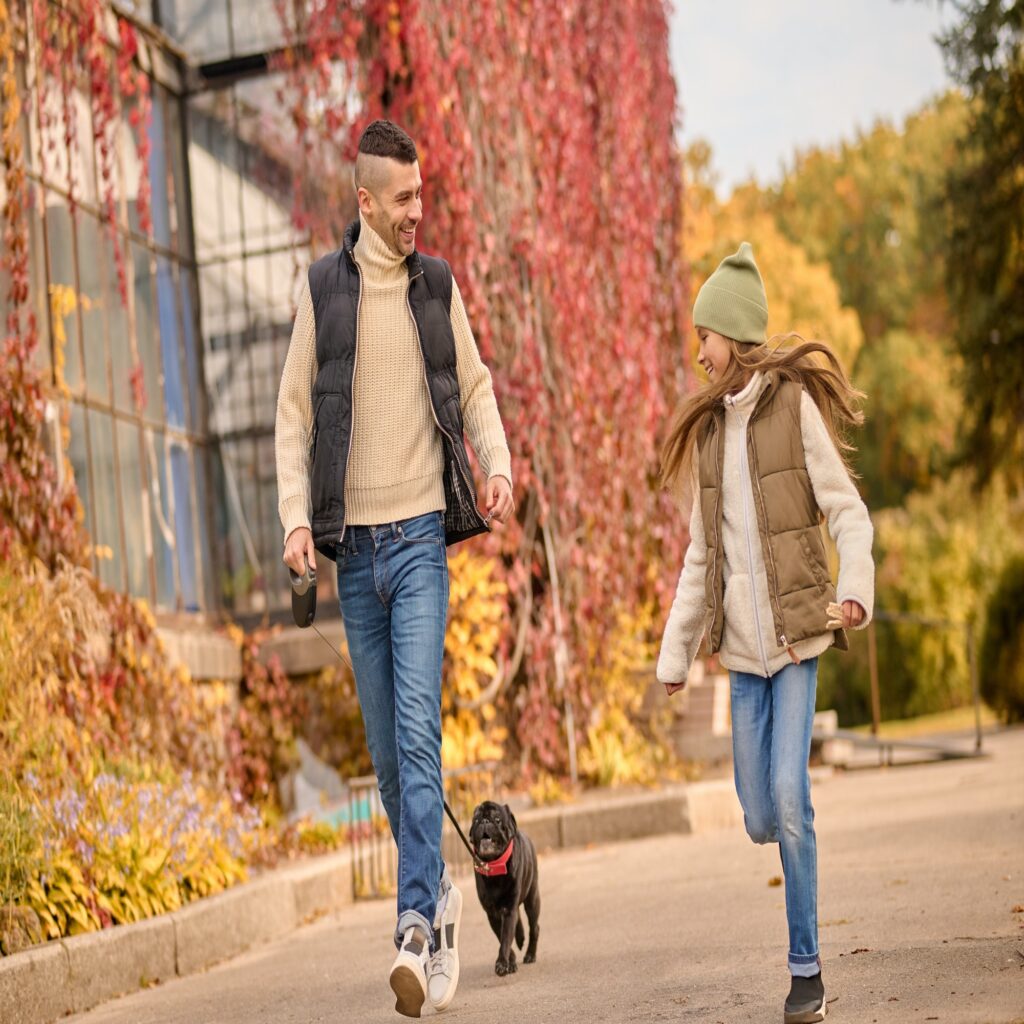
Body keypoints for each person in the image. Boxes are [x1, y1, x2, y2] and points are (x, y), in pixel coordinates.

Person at [275, 119, 514, 1018]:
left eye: (424, 193)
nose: (421, 210)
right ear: (367, 202)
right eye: (405, 197)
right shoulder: (323, 292)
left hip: (418, 540)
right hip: (354, 554)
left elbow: (478, 384)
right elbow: (292, 414)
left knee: (419, 733)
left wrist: (493, 466)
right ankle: (443, 898)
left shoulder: (435, 288)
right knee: (387, 761)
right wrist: (299, 520)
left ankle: (413, 922)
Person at [657, 242, 873, 1024]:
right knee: (756, 814)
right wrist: (676, 652)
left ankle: (806, 967)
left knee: (789, 797)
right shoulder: (712, 436)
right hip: (743, 658)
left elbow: (847, 510)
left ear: (733, 335)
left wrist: (853, 591)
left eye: (703, 335)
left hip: (796, 643)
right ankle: (784, 851)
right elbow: (699, 554)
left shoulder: (793, 410)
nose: (697, 349)